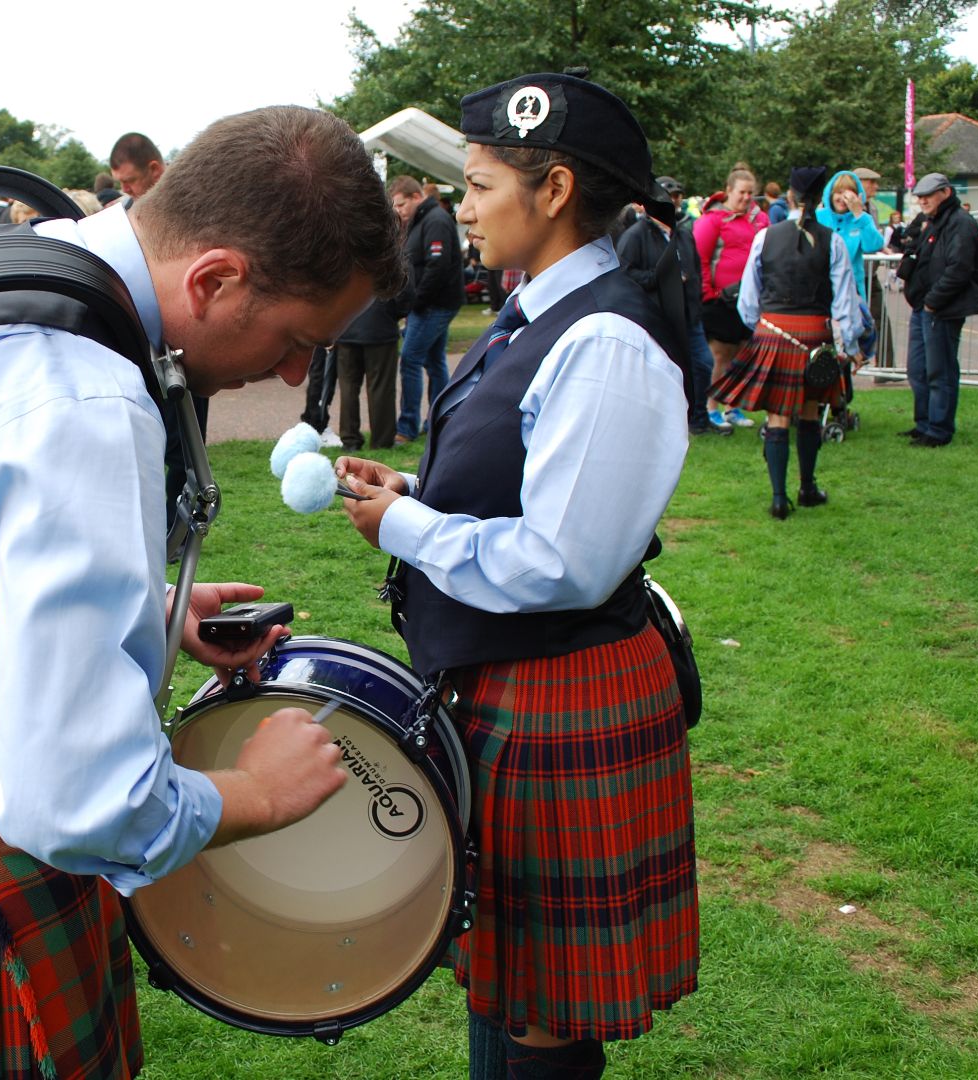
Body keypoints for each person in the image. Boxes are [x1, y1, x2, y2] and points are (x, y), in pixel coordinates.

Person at [0, 104, 399, 1080]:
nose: (295, 372)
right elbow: (71, 799)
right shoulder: (79, 397)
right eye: (297, 338)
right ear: (214, 278)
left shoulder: (13, 260)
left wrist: (150, 608)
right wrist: (254, 793)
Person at [336, 72, 696, 1080]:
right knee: (505, 973)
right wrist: (418, 487)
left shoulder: (608, 341)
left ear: (553, 189)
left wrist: (408, 526)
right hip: (510, 686)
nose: (463, 209)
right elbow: (522, 481)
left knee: (540, 1003)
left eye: (481, 184)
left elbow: (565, 562)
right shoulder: (545, 312)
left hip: (560, 689)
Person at [710, 167, 868, 518]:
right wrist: (850, 345)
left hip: (774, 332)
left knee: (778, 415)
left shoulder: (764, 237)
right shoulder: (834, 241)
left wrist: (762, 328)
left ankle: (780, 499)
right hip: (814, 336)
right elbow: (845, 302)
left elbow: (747, 300)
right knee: (810, 411)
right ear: (821, 198)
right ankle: (807, 487)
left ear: (791, 197)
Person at [617, 176, 726, 436]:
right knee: (662, 373)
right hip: (658, 317)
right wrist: (660, 277)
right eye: (669, 196)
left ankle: (698, 418)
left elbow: (696, 269)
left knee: (702, 364)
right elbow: (624, 275)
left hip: (690, 315)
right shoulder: (635, 236)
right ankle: (664, 423)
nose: (674, 201)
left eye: (677, 196)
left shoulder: (684, 233)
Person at [896, 172, 978, 448]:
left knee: (940, 370)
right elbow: (909, 248)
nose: (922, 200)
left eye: (928, 195)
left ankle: (938, 429)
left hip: (941, 308)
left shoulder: (960, 224)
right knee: (918, 369)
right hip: (925, 305)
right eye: (920, 196)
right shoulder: (933, 221)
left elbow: (959, 269)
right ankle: (924, 423)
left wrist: (933, 301)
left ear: (945, 194)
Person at [390, 174, 463, 444]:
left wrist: (415, 302)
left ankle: (407, 427)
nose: (398, 211)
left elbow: (438, 267)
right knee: (434, 361)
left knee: (410, 359)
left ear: (416, 197)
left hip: (434, 304)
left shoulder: (435, 220)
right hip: (432, 302)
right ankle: (440, 421)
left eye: (400, 205)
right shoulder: (423, 220)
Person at [693, 165, 768, 430]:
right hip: (719, 301)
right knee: (719, 355)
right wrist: (709, 293)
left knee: (741, 355)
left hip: (747, 299)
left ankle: (732, 406)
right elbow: (699, 258)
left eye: (751, 193)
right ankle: (711, 407)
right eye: (741, 193)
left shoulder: (760, 220)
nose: (746, 198)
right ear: (728, 191)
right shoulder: (712, 221)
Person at [330, 280, 404, 450]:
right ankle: (382, 440)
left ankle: (350, 439)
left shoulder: (342, 254)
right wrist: (392, 314)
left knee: (348, 387)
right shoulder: (391, 255)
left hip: (348, 326)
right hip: (381, 327)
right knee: (381, 388)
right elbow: (405, 294)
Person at [817, 170, 887, 306]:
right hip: (822, 289)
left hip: (851, 290)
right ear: (830, 194)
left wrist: (859, 216)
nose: (843, 198)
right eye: (838, 192)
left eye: (848, 193)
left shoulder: (863, 218)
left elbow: (874, 245)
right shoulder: (819, 216)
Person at [108, 131, 165, 198]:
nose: (124, 190)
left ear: (155, 170)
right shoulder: (128, 205)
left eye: (129, 181)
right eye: (120, 182)